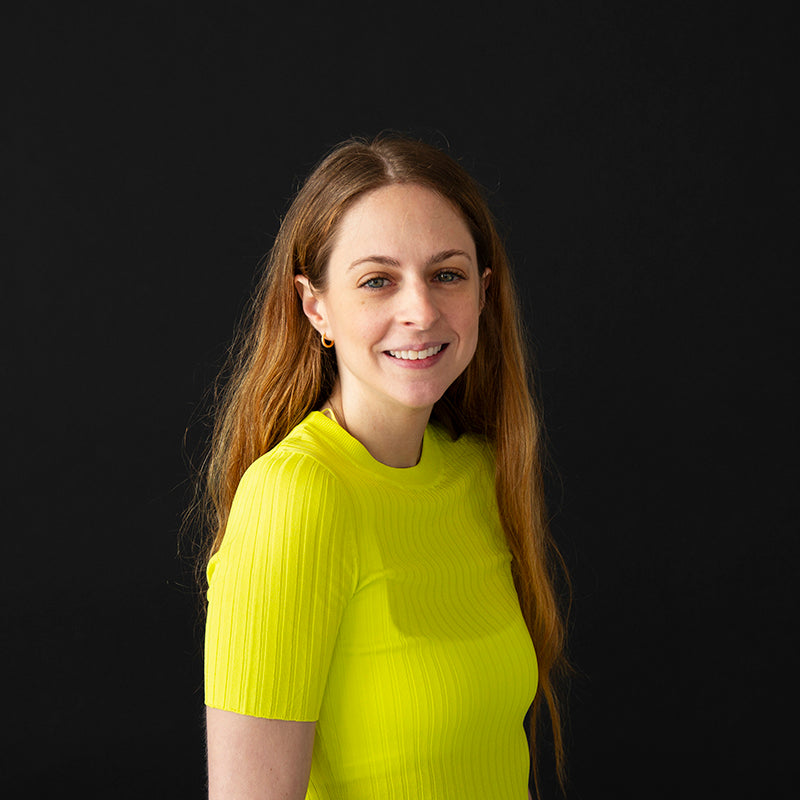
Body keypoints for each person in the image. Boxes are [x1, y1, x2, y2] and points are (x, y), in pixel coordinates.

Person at [198, 134, 569, 799]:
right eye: (377, 281)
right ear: (316, 307)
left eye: (447, 273)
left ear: (484, 293)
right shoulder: (296, 496)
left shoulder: (478, 472)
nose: (420, 311)